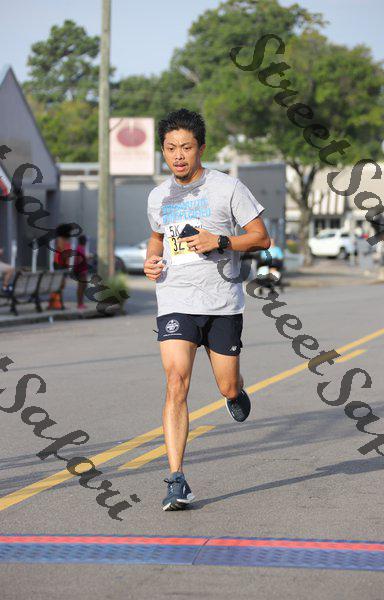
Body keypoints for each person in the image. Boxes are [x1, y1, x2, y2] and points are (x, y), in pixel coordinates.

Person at [144, 108, 270, 511]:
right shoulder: (158, 196)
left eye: (186, 147)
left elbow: (262, 238)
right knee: (175, 382)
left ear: (200, 148)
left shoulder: (228, 188)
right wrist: (151, 260)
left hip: (222, 303)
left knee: (225, 386)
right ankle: (176, 479)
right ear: (163, 151)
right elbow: (156, 237)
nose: (178, 155)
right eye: (170, 148)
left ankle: (235, 393)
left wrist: (222, 241)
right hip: (175, 299)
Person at [74, 235, 88, 309]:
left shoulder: (81, 248)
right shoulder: (80, 248)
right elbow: (80, 259)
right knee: (81, 286)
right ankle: (79, 304)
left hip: (83, 270)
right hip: (81, 270)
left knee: (84, 286)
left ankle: (81, 303)